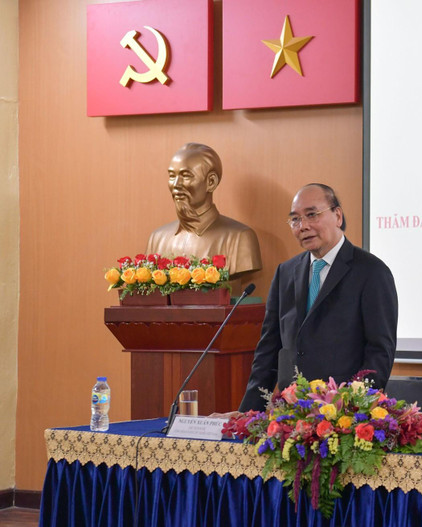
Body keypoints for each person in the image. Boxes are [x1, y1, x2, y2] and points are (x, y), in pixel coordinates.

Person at [238, 184, 398, 412]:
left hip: (342, 419)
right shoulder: (286, 273)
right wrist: (247, 414)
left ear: (338, 216)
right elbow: (268, 350)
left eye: (312, 215)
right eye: (295, 219)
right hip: (290, 415)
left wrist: (353, 408)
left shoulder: (371, 272)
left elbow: (379, 352)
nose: (303, 226)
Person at [146, 143, 262, 277]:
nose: (176, 185)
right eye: (172, 176)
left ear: (211, 182)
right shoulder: (157, 239)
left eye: (186, 176)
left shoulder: (239, 238)